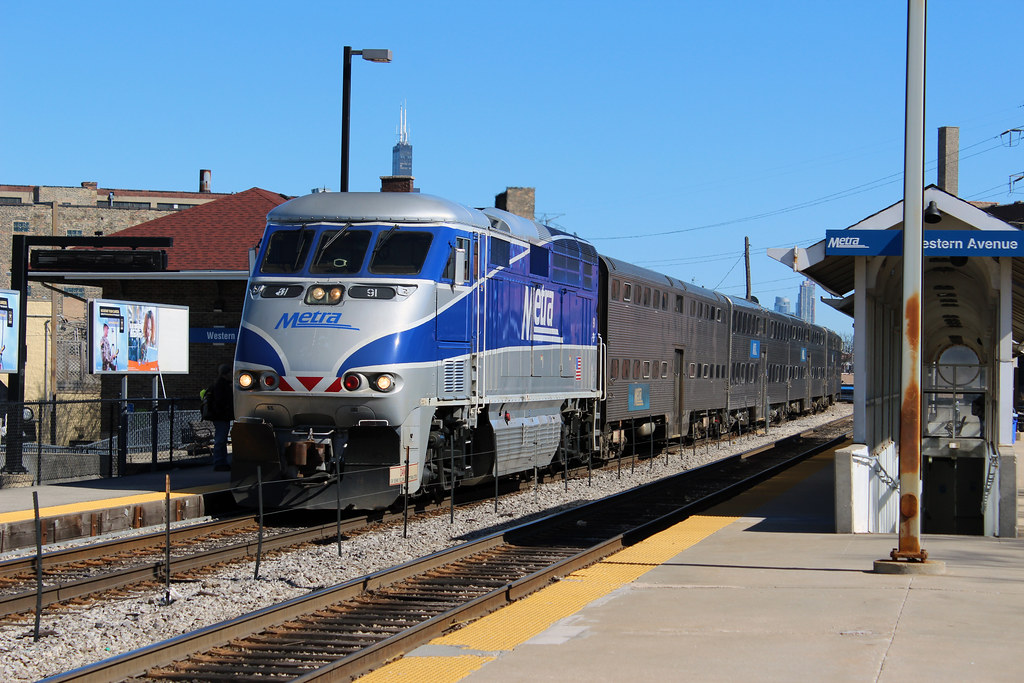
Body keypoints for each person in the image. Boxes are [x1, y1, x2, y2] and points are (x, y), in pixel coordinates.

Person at [206, 364, 234, 471]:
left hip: (220, 416)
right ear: (225, 374)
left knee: (221, 439)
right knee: (220, 440)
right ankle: (219, 462)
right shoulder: (221, 385)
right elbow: (220, 402)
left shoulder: (220, 384)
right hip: (221, 416)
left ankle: (222, 461)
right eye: (230, 373)